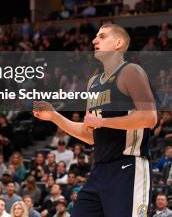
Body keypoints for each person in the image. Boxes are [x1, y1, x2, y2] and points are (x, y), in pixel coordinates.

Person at [34, 24, 157, 217]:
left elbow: (149, 117)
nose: (94, 40)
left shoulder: (131, 71)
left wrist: (103, 122)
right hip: (99, 169)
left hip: (128, 167)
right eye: (95, 36)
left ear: (119, 43)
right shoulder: (94, 82)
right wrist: (55, 117)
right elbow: (88, 134)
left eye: (102, 36)